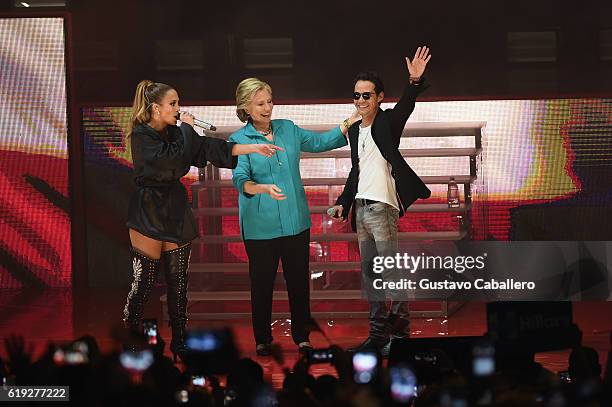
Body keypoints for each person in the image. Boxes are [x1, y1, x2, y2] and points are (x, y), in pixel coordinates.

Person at [123, 80, 281, 361]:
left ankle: (180, 342)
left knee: (179, 283)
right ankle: (131, 338)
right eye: (173, 104)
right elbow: (168, 162)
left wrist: (253, 149)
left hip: (175, 209)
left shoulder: (179, 133)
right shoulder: (141, 135)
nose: (178, 109)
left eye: (178, 103)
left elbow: (211, 150)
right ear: (155, 108)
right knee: (144, 281)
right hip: (148, 209)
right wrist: (187, 127)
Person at [229, 78, 360, 356]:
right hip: (259, 228)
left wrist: (349, 122)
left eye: (270, 101)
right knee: (262, 286)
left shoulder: (288, 128)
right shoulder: (238, 141)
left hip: (295, 223)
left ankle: (302, 337)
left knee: (299, 283)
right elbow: (240, 180)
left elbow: (321, 141)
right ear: (246, 108)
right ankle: (263, 339)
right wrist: (261, 188)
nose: (268, 108)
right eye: (260, 103)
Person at [328, 47, 432, 354]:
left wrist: (413, 82)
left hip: (381, 208)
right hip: (361, 209)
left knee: (390, 273)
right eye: (357, 96)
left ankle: (399, 337)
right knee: (372, 277)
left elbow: (404, 109)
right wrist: (343, 202)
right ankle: (377, 337)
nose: (360, 101)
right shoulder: (356, 131)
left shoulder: (387, 123)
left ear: (379, 98)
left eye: (366, 96)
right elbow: (357, 170)